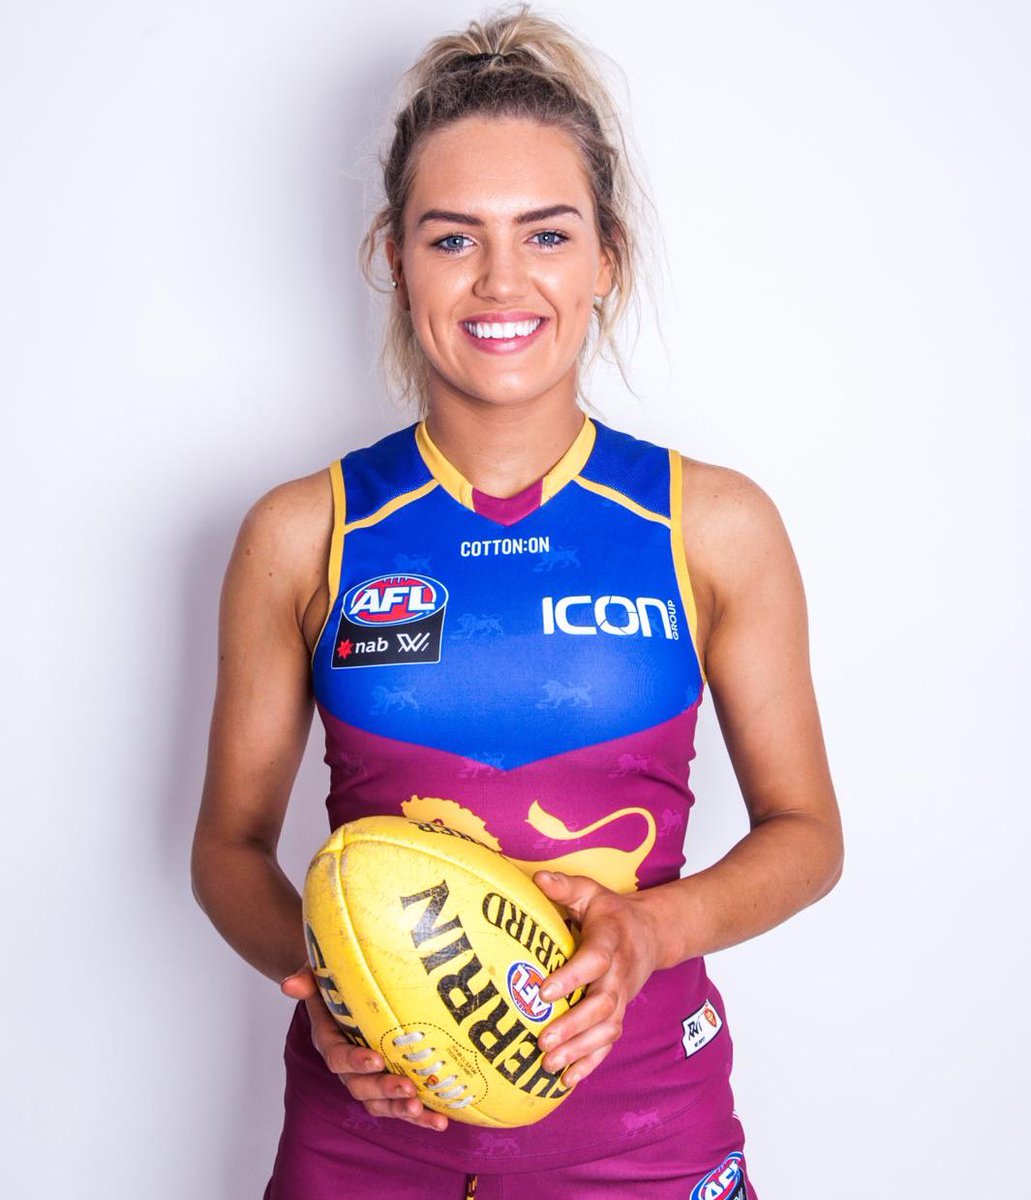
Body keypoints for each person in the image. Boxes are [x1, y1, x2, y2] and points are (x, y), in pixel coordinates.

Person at [191, 6, 843, 1197]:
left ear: (607, 258)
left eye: (546, 234)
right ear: (394, 258)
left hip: (647, 1137)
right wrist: (330, 979)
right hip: (365, 1137)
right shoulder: (304, 533)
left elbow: (805, 834)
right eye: (452, 238)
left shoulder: (707, 524)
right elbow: (228, 849)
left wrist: (651, 930)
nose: (500, 280)